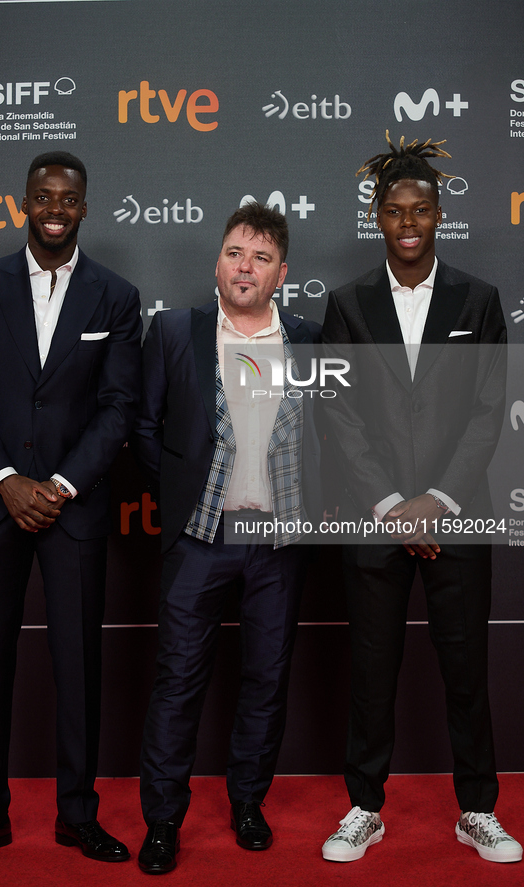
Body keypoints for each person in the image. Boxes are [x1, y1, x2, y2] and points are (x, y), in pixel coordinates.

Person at [320, 133, 522, 865]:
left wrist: (433, 502)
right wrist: (388, 505)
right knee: (371, 668)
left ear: (439, 215)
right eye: (394, 211)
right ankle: (363, 808)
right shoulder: (347, 304)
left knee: (465, 668)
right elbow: (336, 413)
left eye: (421, 209)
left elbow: (485, 409)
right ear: (377, 217)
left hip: (456, 513)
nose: (407, 222)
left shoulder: (480, 299)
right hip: (373, 519)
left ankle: (476, 809)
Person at [0, 152, 142, 866]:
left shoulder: (115, 295)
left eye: (69, 198)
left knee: (76, 664)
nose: (55, 206)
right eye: (43, 195)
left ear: (85, 207)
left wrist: (57, 485)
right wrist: (5, 479)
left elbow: (119, 405)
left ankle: (75, 815)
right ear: (23, 202)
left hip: (71, 508)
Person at [134, 202, 321, 874]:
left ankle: (248, 803)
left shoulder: (309, 340)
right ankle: (161, 821)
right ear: (218, 262)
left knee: (266, 680)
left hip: (277, 542)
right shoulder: (175, 332)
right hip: (198, 539)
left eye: (261, 257)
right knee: (177, 681)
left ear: (281, 274)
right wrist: (183, 496)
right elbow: (145, 427)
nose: (246, 267)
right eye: (236, 252)